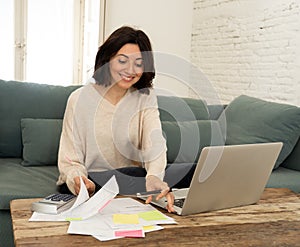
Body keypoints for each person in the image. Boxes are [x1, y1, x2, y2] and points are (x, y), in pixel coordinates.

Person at [57, 26, 175, 212]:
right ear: (108, 59)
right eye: (122, 61)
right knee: (126, 176)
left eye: (138, 63)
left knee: (193, 170)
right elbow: (70, 161)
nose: (130, 70)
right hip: (94, 181)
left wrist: (154, 176)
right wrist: (77, 179)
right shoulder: (78, 99)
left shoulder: (145, 96)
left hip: (134, 180)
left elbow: (155, 144)